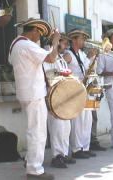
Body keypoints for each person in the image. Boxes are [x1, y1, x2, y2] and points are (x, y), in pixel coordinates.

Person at [9, 18, 60, 180]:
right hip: (34, 93)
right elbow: (52, 58)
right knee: (37, 133)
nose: (39, 38)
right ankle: (34, 170)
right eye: (39, 34)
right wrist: (56, 41)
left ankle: (29, 161)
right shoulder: (27, 45)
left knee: (33, 130)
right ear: (35, 31)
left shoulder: (14, 44)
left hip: (26, 93)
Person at [44, 34, 76, 169]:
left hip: (64, 96)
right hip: (53, 96)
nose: (66, 46)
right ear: (56, 43)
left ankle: (63, 154)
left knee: (65, 128)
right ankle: (56, 157)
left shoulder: (62, 58)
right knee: (57, 128)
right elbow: (49, 76)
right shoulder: (48, 56)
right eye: (64, 43)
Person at [66, 29, 96, 159]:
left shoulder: (82, 54)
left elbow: (88, 67)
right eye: (81, 39)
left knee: (87, 119)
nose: (84, 41)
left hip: (86, 89)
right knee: (77, 121)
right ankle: (76, 149)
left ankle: (85, 146)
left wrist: (92, 58)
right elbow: (62, 68)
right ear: (74, 40)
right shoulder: (68, 54)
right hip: (75, 89)